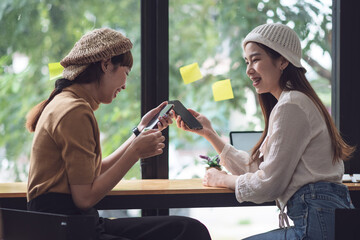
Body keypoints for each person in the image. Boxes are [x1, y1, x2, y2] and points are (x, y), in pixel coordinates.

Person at [25, 28, 211, 240]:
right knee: (189, 232)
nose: (124, 85)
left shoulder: (66, 103)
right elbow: (84, 198)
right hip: (69, 230)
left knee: (187, 229)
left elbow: (91, 174)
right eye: (126, 72)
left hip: (73, 225)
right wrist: (134, 153)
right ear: (106, 65)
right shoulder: (74, 111)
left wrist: (139, 132)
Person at [174, 23, 355, 240]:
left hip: (316, 225)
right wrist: (209, 133)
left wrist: (221, 180)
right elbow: (258, 168)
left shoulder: (292, 104)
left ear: (283, 60)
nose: (249, 69)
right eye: (247, 61)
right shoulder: (293, 102)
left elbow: (267, 184)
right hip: (319, 221)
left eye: (256, 59)